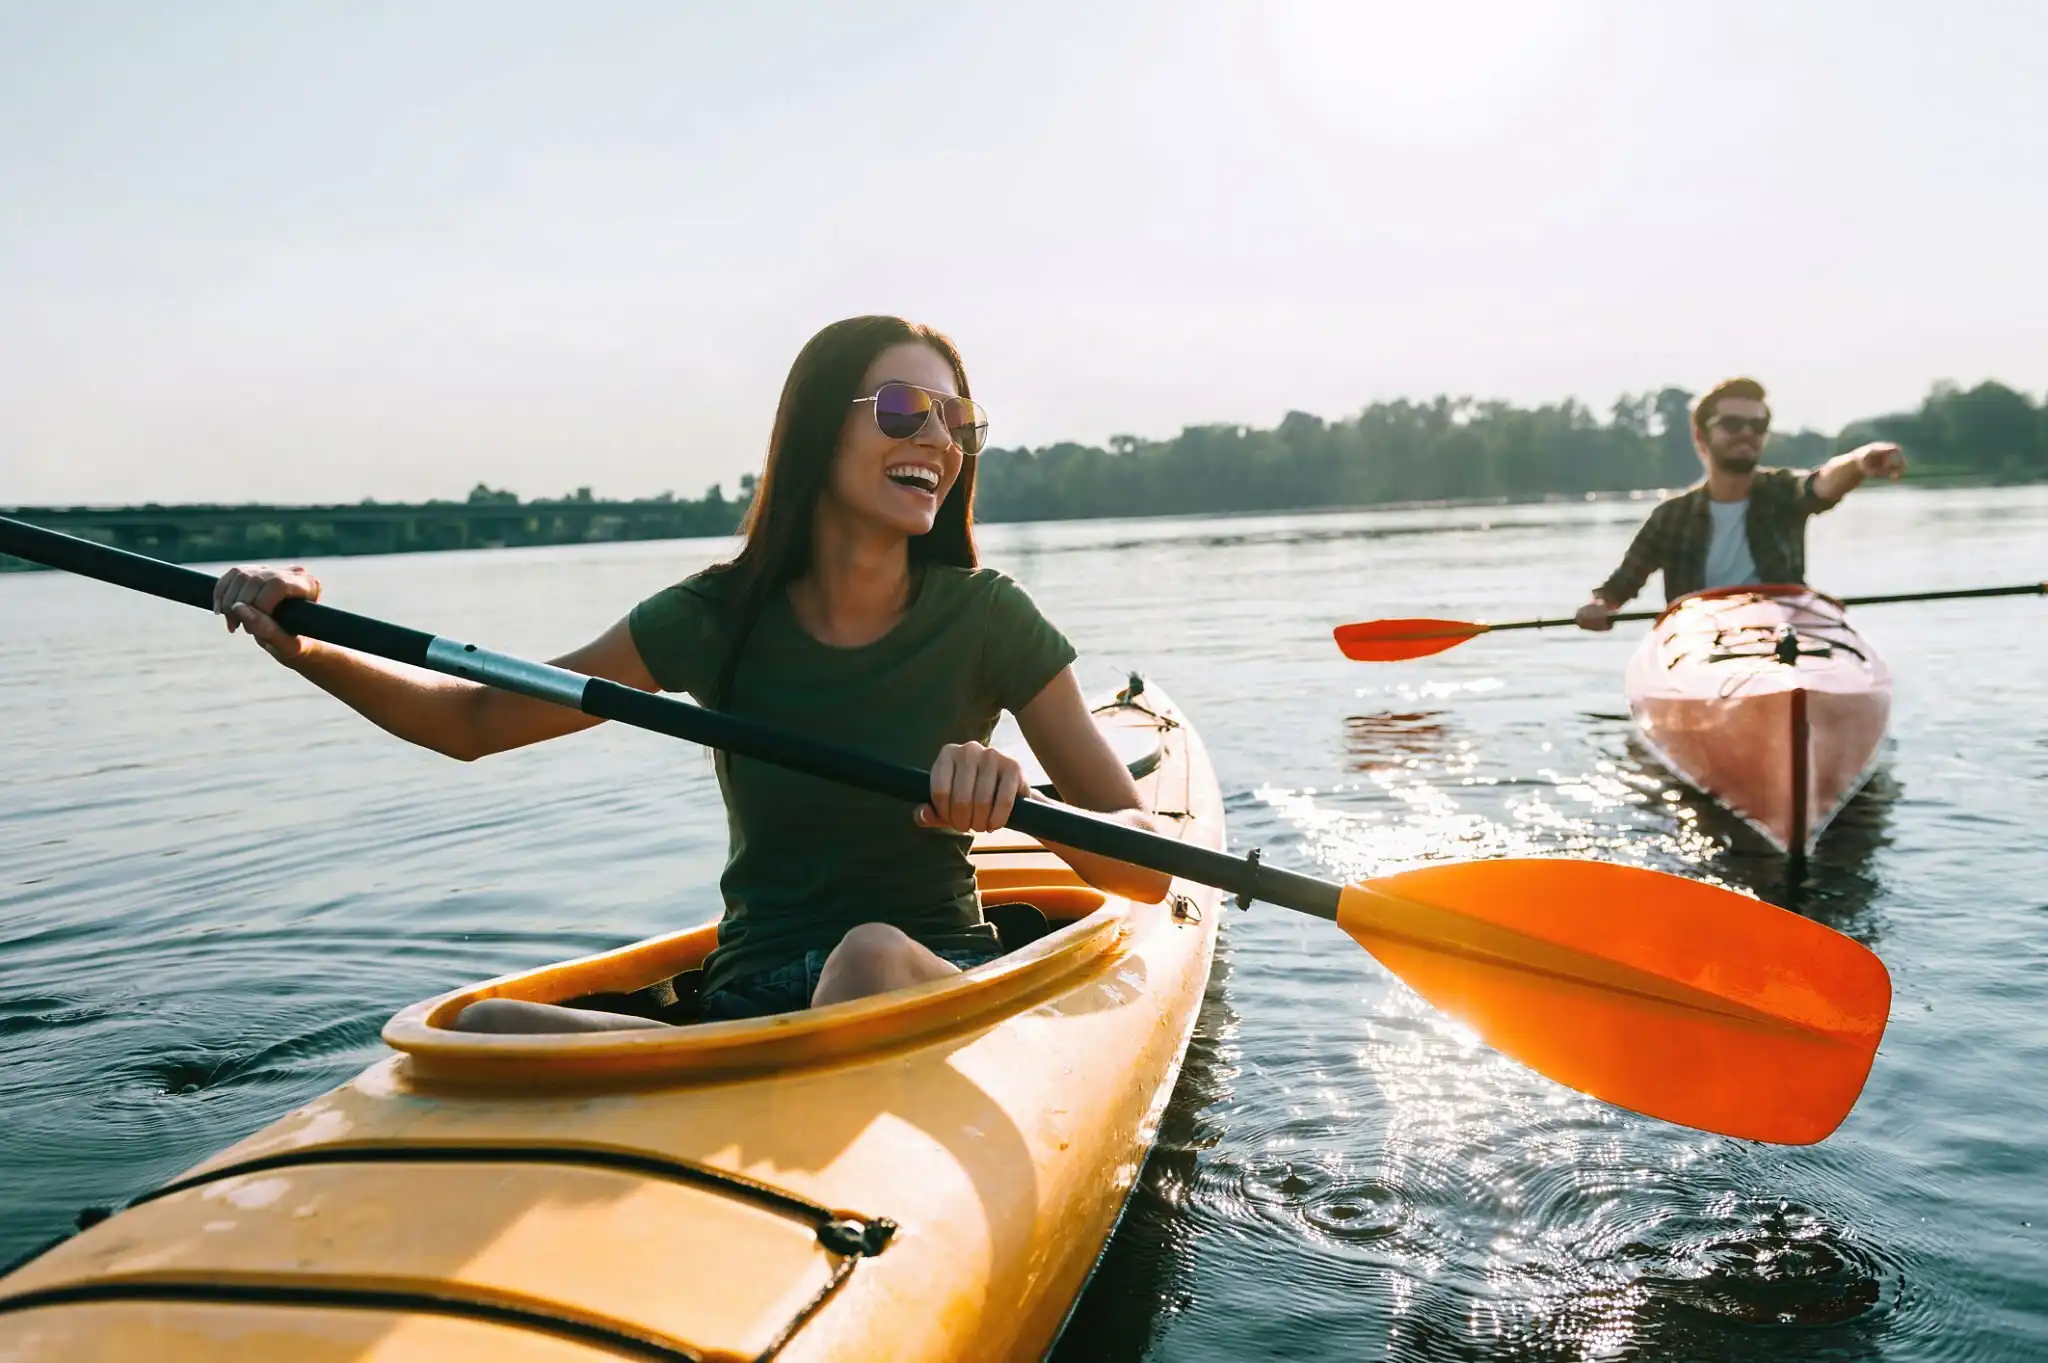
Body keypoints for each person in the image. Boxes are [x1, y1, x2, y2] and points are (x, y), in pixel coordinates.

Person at [209, 315, 1172, 1033]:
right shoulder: (714, 616)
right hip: (746, 1003)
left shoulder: (989, 617)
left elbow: (1140, 865)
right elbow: (472, 719)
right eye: (901, 408)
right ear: (814, 430)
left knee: (867, 954)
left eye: (958, 420)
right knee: (477, 1024)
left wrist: (1013, 800)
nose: (938, 439)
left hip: (921, 977)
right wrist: (306, 642)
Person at [1575, 377, 1908, 628]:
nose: (1747, 433)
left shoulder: (1782, 492)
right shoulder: (1670, 517)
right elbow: (1618, 588)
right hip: (1700, 641)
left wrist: (1861, 461)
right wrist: (1599, 606)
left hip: (1783, 634)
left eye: (1758, 425)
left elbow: (1821, 484)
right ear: (1701, 436)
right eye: (1732, 424)